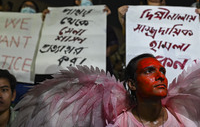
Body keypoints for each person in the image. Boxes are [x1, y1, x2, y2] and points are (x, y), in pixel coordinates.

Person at [12, 53, 200, 126]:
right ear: (132, 84)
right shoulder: (120, 123)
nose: (160, 76)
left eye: (162, 71)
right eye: (149, 71)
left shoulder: (183, 120)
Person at [74, 0, 118, 75]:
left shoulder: (105, 26)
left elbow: (114, 44)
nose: (89, 2)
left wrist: (104, 53)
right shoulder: (66, 26)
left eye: (91, 1)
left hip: (99, 69)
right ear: (77, 2)